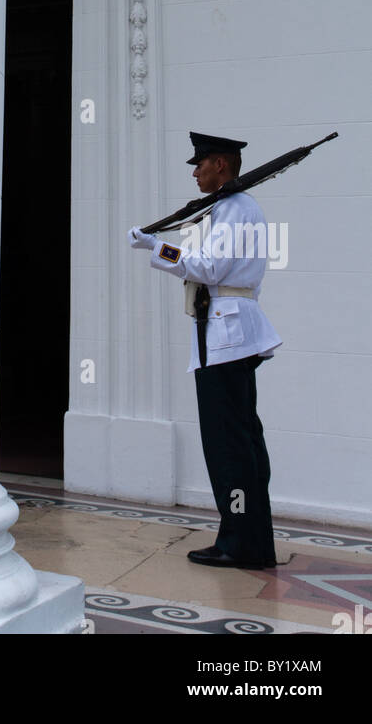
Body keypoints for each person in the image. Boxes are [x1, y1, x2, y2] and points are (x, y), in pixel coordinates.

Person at [128, 132, 282, 570]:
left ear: (220, 165)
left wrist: (154, 247)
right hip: (228, 334)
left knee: (228, 445)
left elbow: (210, 267)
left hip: (227, 338)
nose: (195, 172)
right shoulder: (232, 208)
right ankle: (247, 538)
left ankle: (240, 541)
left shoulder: (236, 209)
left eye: (201, 164)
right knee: (242, 441)